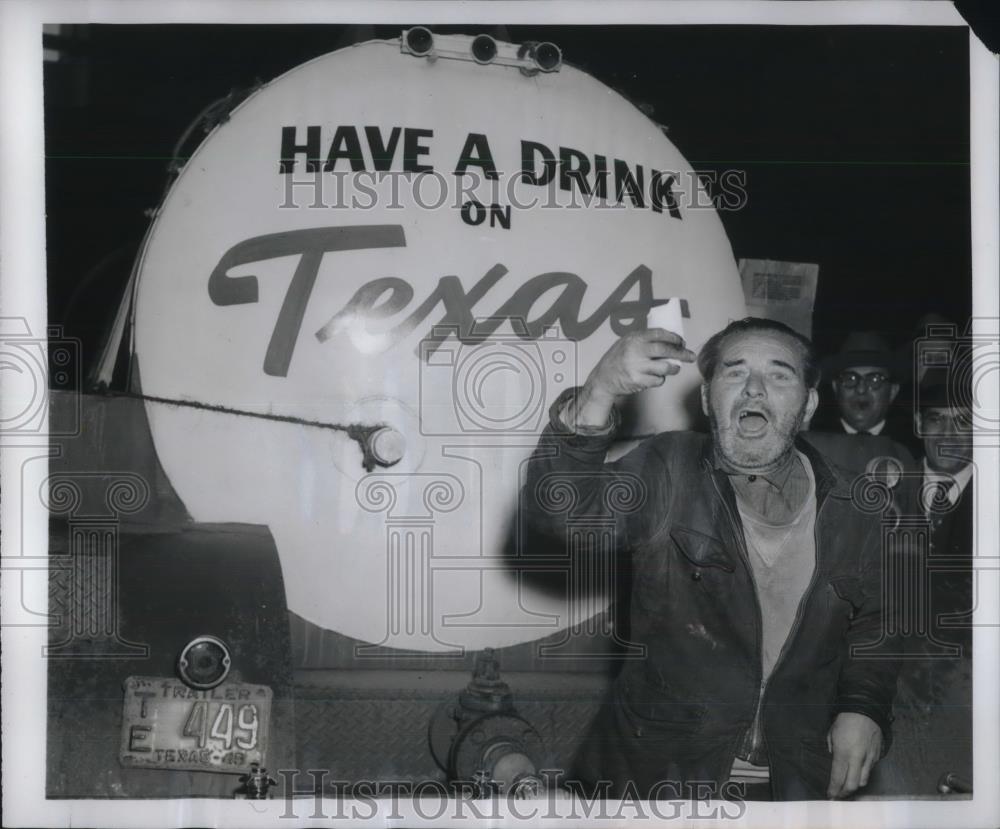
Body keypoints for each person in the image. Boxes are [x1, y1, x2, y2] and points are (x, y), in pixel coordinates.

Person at [524, 317, 899, 801]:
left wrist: (864, 707)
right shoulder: (667, 470)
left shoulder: (857, 506)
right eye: (734, 372)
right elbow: (559, 510)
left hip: (794, 782)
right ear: (706, 399)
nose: (754, 390)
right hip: (659, 782)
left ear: (807, 405)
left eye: (780, 375)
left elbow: (879, 623)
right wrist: (599, 390)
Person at [810, 331, 919, 456]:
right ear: (835, 387)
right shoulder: (810, 445)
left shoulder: (913, 450)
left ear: (893, 392)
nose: (861, 389)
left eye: (874, 380)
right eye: (850, 379)